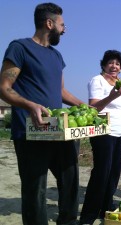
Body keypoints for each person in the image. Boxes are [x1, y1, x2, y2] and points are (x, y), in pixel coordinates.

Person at [0, 3, 86, 225]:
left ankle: (68, 222)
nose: (64, 29)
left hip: (57, 130)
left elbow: (61, 91)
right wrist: (30, 105)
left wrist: (83, 106)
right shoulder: (19, 48)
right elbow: (4, 87)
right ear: (49, 23)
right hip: (31, 131)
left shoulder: (56, 56)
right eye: (62, 24)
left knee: (70, 180)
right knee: (35, 190)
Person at [79, 50, 121, 225]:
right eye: (110, 63)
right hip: (103, 132)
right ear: (104, 65)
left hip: (118, 134)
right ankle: (88, 216)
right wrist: (112, 95)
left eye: (118, 64)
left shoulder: (120, 85)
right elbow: (93, 108)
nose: (114, 66)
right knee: (101, 174)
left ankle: (105, 208)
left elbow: (119, 109)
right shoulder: (97, 81)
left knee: (113, 174)